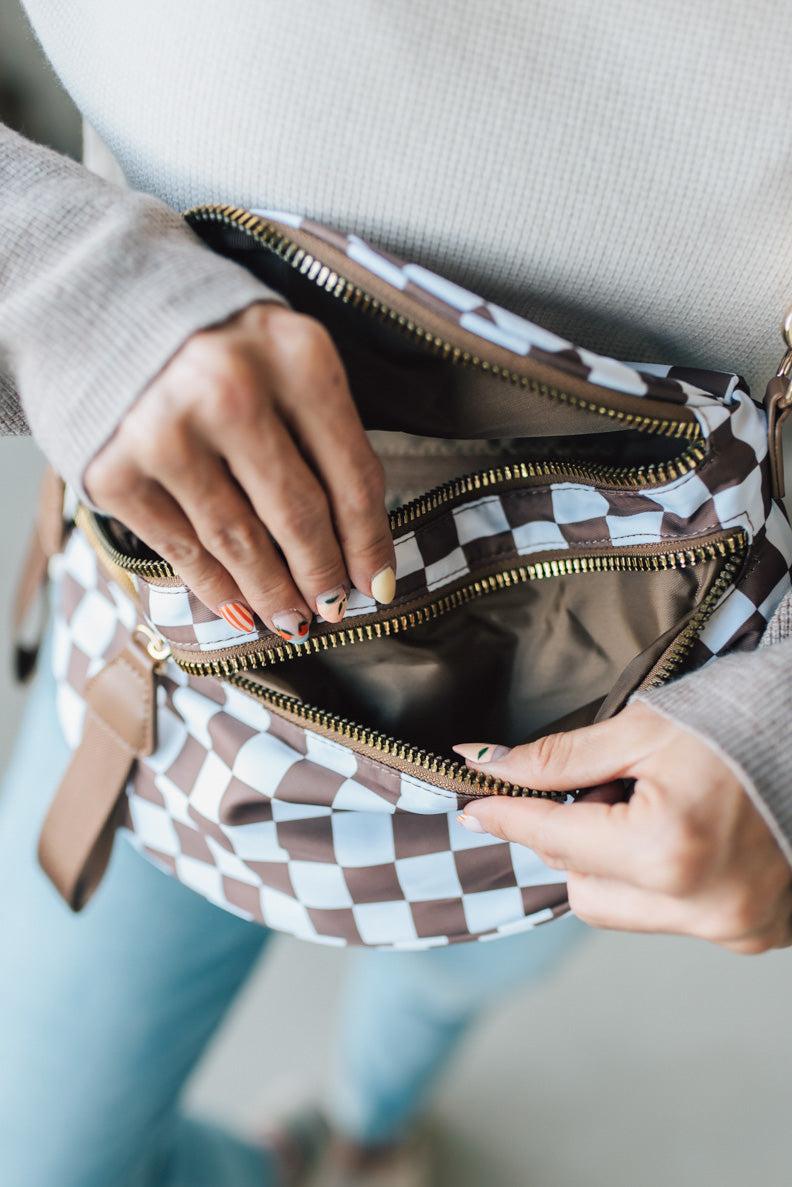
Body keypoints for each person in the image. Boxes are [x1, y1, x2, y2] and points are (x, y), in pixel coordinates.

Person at [0, 2, 790, 1185]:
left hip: (642, 710)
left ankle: (365, 1133)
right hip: (173, 653)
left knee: (443, 985)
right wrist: (52, 280)